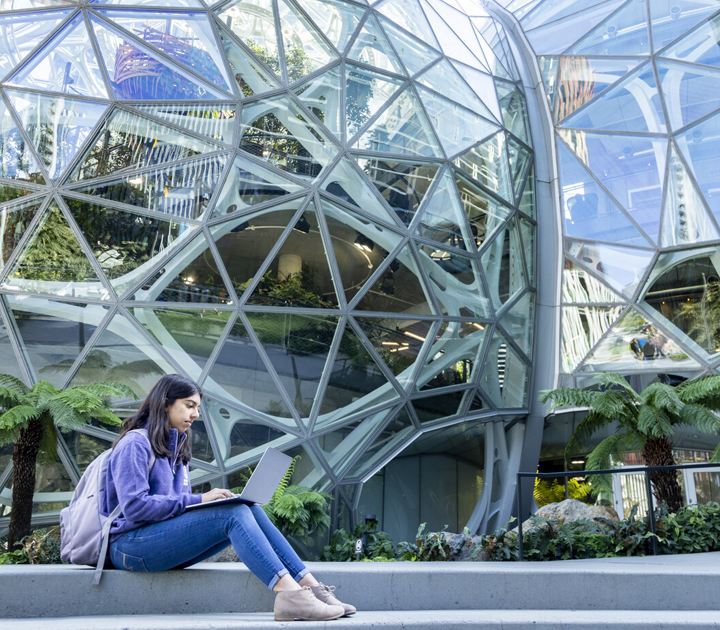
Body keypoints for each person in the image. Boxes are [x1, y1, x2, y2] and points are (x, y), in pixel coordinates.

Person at [104, 374, 355, 621]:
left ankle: (311, 587)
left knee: (247, 508)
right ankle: (290, 595)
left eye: (197, 408)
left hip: (157, 540)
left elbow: (172, 508)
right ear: (166, 403)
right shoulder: (135, 444)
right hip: (129, 546)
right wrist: (200, 500)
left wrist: (214, 502)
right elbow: (135, 508)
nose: (195, 414)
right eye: (189, 406)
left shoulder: (175, 445)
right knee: (233, 514)